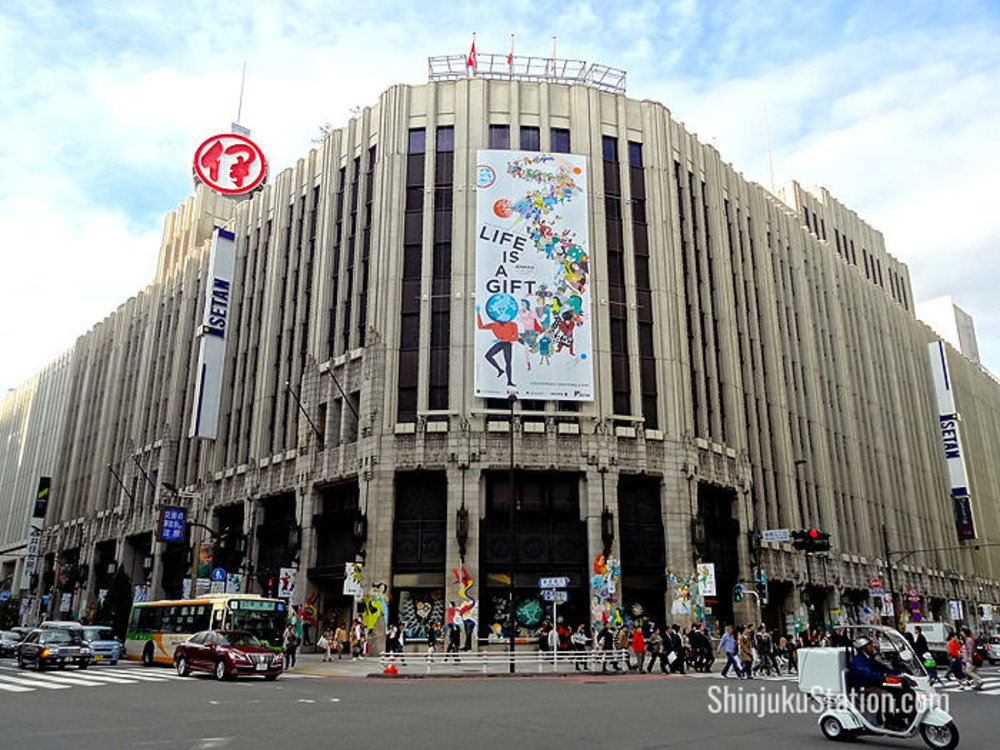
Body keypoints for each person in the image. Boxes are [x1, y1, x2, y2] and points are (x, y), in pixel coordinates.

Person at [849, 636, 905, 729]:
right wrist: (883, 677)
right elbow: (868, 674)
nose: (872, 647)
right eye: (870, 646)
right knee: (886, 696)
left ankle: (898, 718)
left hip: (874, 685)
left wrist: (896, 671)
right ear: (863, 648)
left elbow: (881, 667)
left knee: (900, 692)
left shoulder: (869, 658)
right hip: (864, 688)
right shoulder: (858, 661)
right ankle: (889, 722)